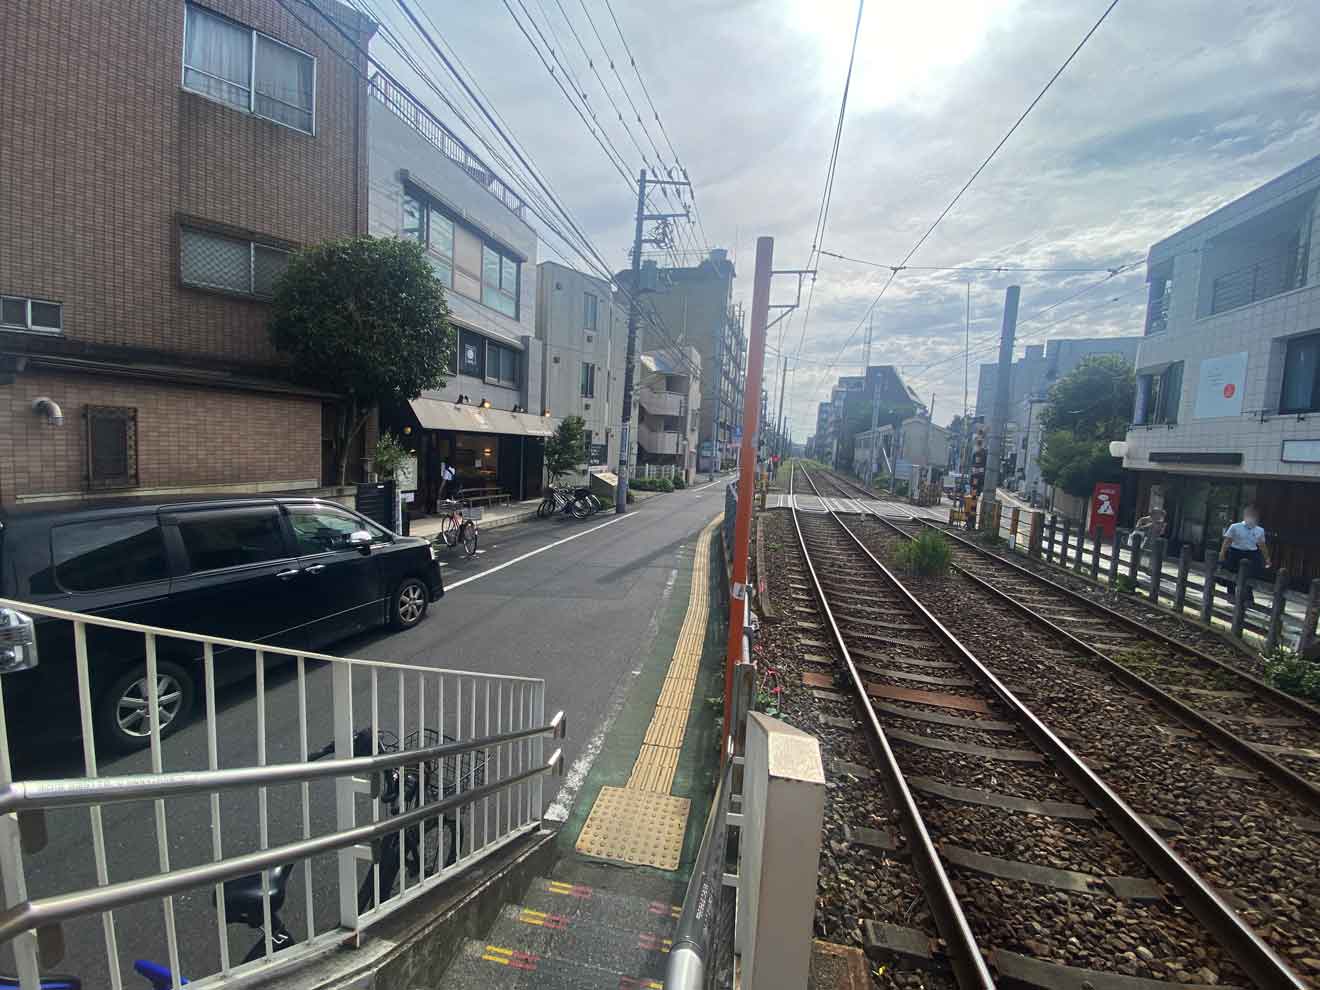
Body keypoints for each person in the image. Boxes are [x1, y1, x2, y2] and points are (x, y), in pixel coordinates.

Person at [1220, 505, 1271, 608]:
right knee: (1232, 573)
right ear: (1245, 516)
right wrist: (1222, 554)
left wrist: (1267, 558)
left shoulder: (1259, 530)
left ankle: (1248, 598)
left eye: (1254, 516)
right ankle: (1231, 594)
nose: (1251, 518)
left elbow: (1262, 545)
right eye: (1249, 515)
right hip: (1235, 551)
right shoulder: (1235, 526)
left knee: (1250, 575)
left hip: (1251, 553)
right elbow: (1227, 541)